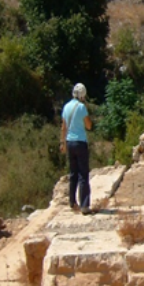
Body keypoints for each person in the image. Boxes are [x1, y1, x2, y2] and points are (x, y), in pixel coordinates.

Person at [61, 83, 93, 215]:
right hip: (80, 142)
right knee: (83, 174)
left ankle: (72, 202)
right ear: (82, 95)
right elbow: (89, 126)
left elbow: (63, 127)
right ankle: (84, 205)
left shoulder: (66, 106)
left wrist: (62, 143)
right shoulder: (81, 107)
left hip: (70, 142)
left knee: (73, 173)